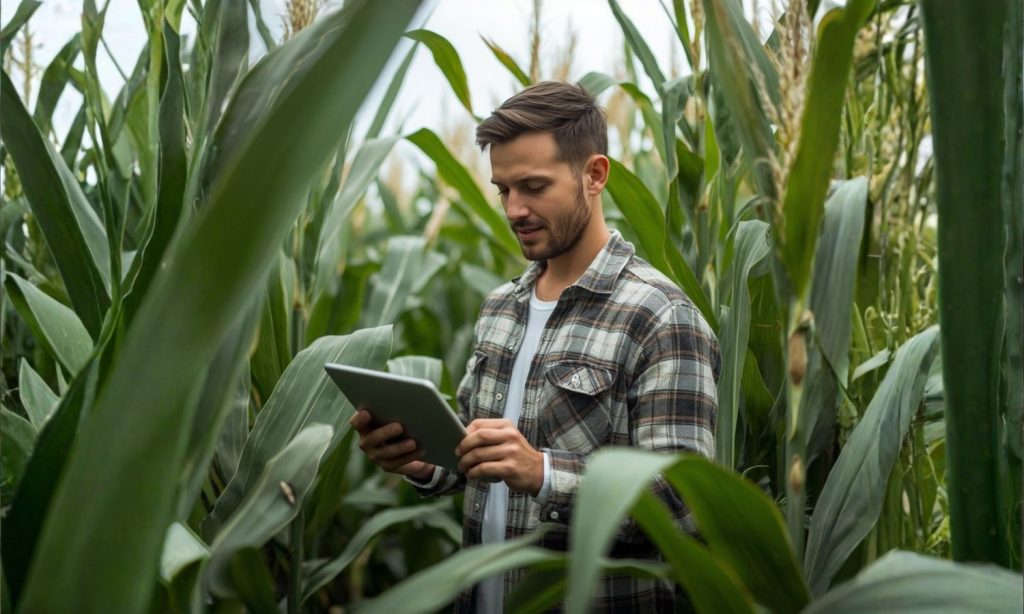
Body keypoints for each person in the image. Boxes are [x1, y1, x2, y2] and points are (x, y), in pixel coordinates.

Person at [350, 81, 720, 612]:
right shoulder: (500, 308)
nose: (514, 209)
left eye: (533, 186)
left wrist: (543, 473)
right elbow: (470, 453)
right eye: (503, 189)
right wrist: (418, 461)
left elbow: (686, 506)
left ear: (595, 175)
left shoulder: (660, 316)